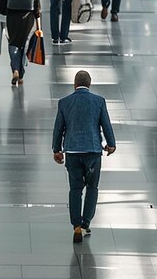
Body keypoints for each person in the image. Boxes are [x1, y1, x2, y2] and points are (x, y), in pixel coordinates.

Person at [52, 70, 116, 243]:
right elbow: (106, 125)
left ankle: (76, 226)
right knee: (92, 188)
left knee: (75, 189)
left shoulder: (64, 103)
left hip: (72, 152)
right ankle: (86, 222)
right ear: (89, 84)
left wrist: (56, 149)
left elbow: (59, 128)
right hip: (93, 152)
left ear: (74, 84)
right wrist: (111, 144)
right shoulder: (99, 101)